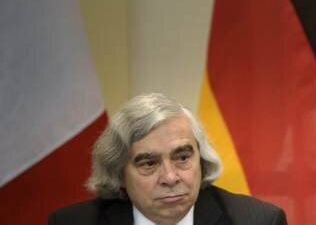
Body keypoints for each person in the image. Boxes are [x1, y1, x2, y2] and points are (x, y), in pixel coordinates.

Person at [49, 93, 286, 225]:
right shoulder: (71, 224)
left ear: (201, 161)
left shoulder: (258, 222)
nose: (170, 177)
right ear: (119, 173)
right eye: (148, 163)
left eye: (182, 157)